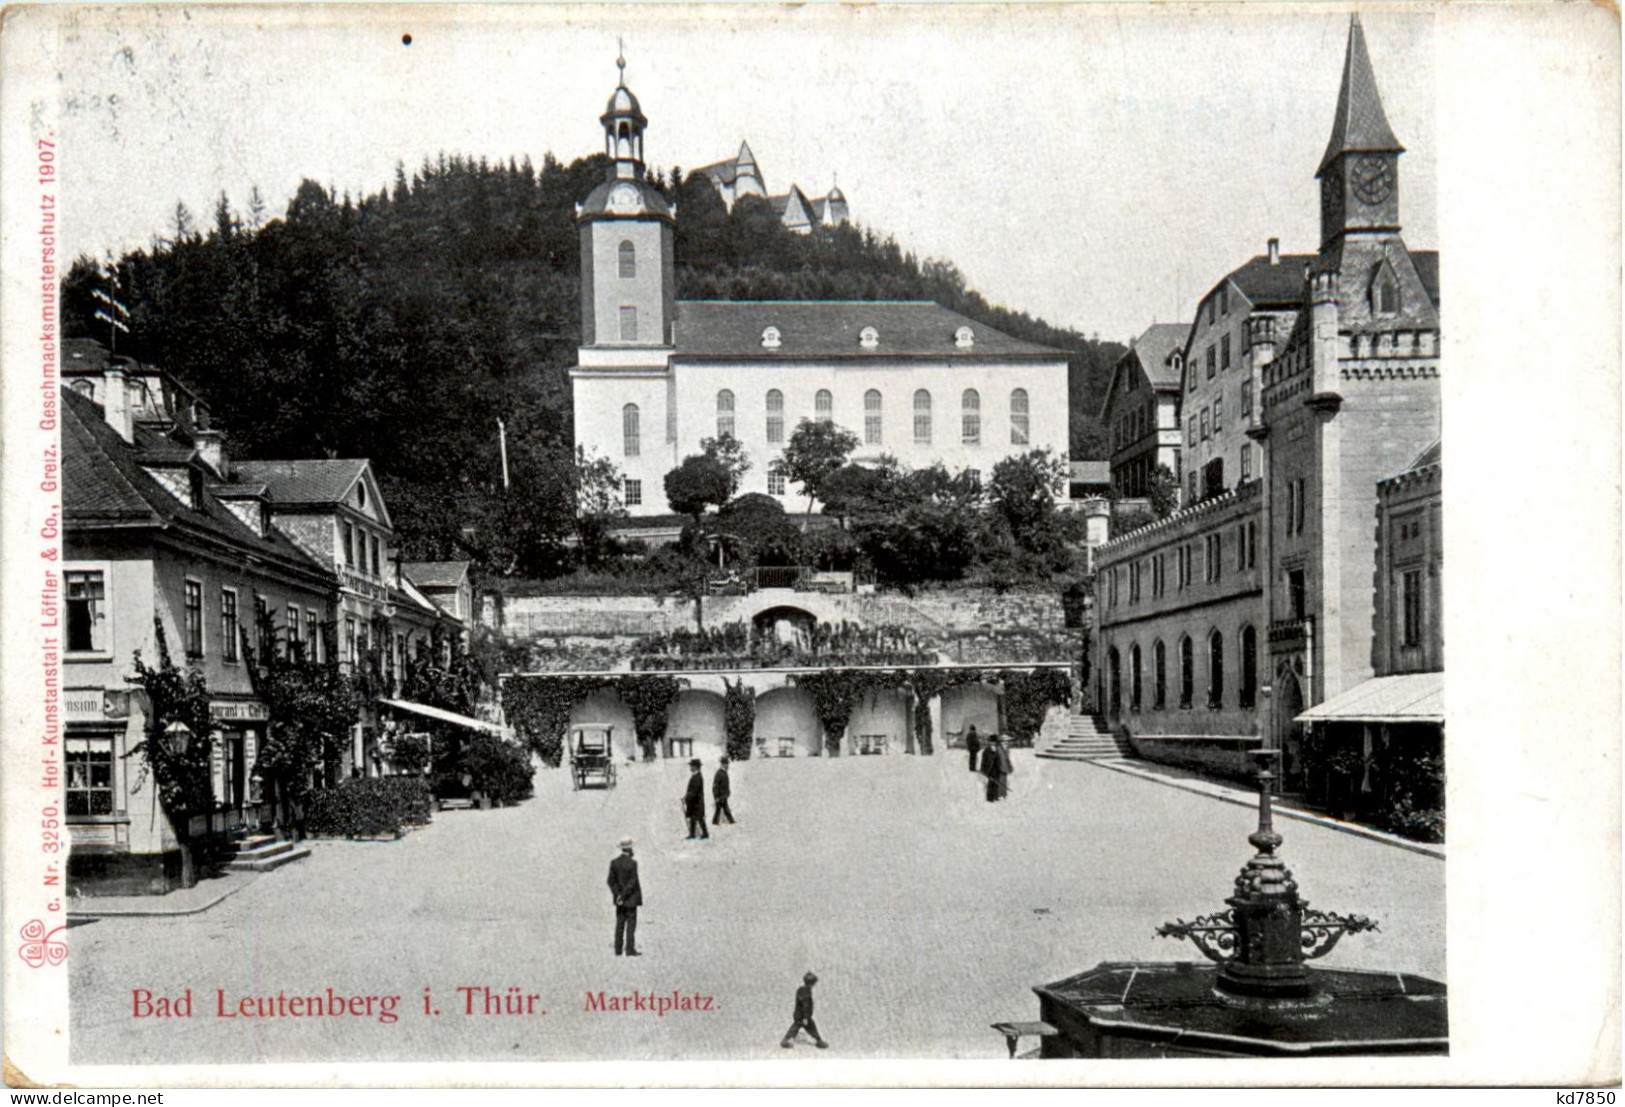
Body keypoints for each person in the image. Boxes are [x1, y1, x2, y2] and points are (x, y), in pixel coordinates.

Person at [607, 836, 642, 956]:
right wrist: (623, 895)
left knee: (620, 924)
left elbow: (611, 881)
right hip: (630, 899)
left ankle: (618, 949)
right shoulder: (633, 864)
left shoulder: (614, 863)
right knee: (631, 925)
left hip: (619, 901)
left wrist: (617, 895)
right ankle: (629, 949)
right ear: (629, 849)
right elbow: (632, 883)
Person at [780, 972, 830, 1049]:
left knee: (799, 1027)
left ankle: (818, 1041)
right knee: (805, 1027)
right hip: (802, 1016)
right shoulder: (806, 991)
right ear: (812, 983)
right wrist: (806, 1017)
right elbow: (806, 1005)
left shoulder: (802, 989)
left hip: (800, 1014)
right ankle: (819, 1041)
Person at [683, 758, 709, 840]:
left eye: (691, 766)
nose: (690, 767)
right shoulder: (695, 776)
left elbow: (694, 791)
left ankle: (705, 834)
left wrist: (687, 797)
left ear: (696, 767)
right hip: (694, 801)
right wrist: (686, 797)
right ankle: (693, 834)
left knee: (699, 817)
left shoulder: (697, 777)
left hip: (697, 802)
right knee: (693, 818)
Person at [981, 733, 1011, 802]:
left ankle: (995, 796)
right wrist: (984, 770)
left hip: (996, 769)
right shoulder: (986, 750)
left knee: (996, 783)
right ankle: (989, 798)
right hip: (989, 769)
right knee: (990, 783)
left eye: (994, 742)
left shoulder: (997, 750)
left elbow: (999, 759)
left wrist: (1000, 767)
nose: (993, 743)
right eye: (991, 742)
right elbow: (984, 761)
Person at [712, 756, 736, 825]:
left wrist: (728, 791)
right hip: (720, 796)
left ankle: (716, 822)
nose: (728, 765)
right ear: (722, 764)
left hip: (723, 795)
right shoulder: (719, 773)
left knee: (722, 809)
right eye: (726, 764)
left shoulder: (724, 772)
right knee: (722, 809)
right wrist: (716, 797)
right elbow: (715, 786)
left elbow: (726, 784)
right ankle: (731, 821)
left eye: (728, 764)